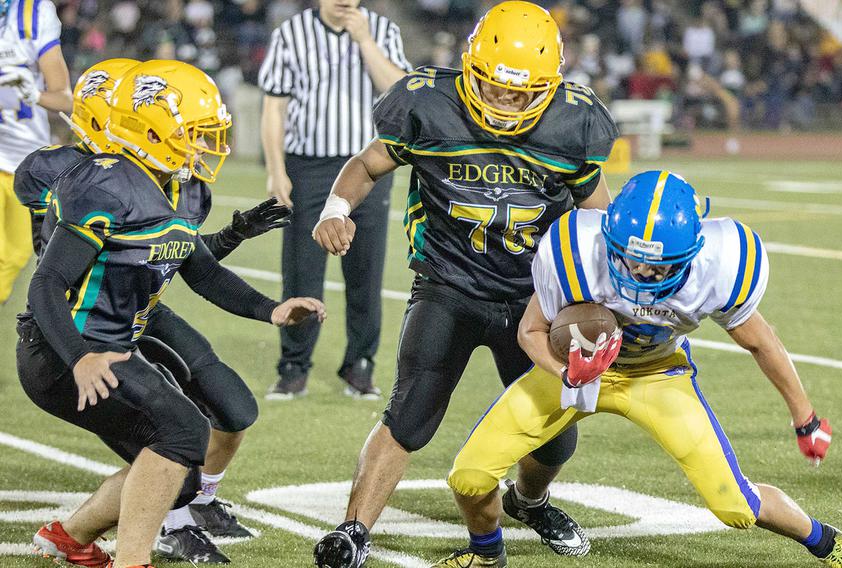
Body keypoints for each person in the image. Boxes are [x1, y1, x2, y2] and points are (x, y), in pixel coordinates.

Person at [437, 170, 842, 568]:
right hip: (576, 373)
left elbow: (761, 342)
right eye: (630, 257)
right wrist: (568, 373)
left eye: (658, 264)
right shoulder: (574, 249)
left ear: (694, 250)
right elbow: (531, 331)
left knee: (736, 506)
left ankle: (827, 543)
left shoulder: (721, 266)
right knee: (470, 476)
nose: (641, 272)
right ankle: (486, 553)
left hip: (657, 375)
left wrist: (804, 416)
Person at [312, 3, 618, 566]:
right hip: (447, 283)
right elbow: (368, 163)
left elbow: (597, 211)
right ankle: (353, 530)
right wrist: (336, 207)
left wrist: (605, 284)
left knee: (555, 435)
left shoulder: (574, 122)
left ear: (549, 85)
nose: (505, 100)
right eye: (495, 87)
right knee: (409, 411)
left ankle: (530, 499)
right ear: (471, 68)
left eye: (521, 92)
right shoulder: (428, 102)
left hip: (535, 297)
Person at [18, 59, 325, 568]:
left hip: (117, 337)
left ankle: (69, 537)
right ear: (155, 130)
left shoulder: (179, 185)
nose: (206, 146)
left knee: (182, 468)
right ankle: (133, 558)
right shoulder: (105, 183)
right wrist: (78, 357)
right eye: (195, 133)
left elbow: (200, 271)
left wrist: (271, 309)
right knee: (182, 432)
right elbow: (47, 283)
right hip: (63, 349)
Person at [259, 0, 410, 399]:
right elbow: (274, 105)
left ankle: (360, 365)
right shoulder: (291, 33)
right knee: (301, 271)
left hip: (369, 167)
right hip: (307, 165)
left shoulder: (381, 29)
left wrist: (365, 40)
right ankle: (294, 366)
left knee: (366, 273)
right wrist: (276, 169)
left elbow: (399, 91)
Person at [0, 0, 72, 303]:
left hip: (24, 163)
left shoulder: (33, 12)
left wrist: (34, 93)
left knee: (14, 256)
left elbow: (66, 100)